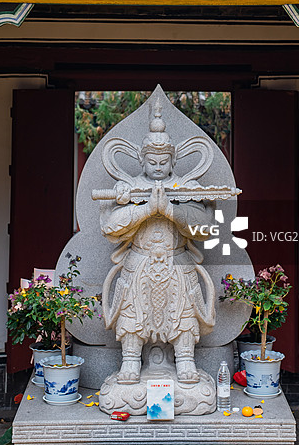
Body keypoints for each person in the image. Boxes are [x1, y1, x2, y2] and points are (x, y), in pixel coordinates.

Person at [98, 100, 215, 385]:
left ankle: (185, 359)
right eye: (152, 162)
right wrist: (146, 209)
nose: (159, 167)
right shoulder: (128, 188)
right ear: (142, 160)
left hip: (177, 262)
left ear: (174, 161)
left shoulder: (190, 188)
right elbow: (111, 228)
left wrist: (172, 210)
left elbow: (206, 228)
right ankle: (130, 361)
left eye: (164, 162)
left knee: (183, 311)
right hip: (139, 262)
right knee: (132, 312)